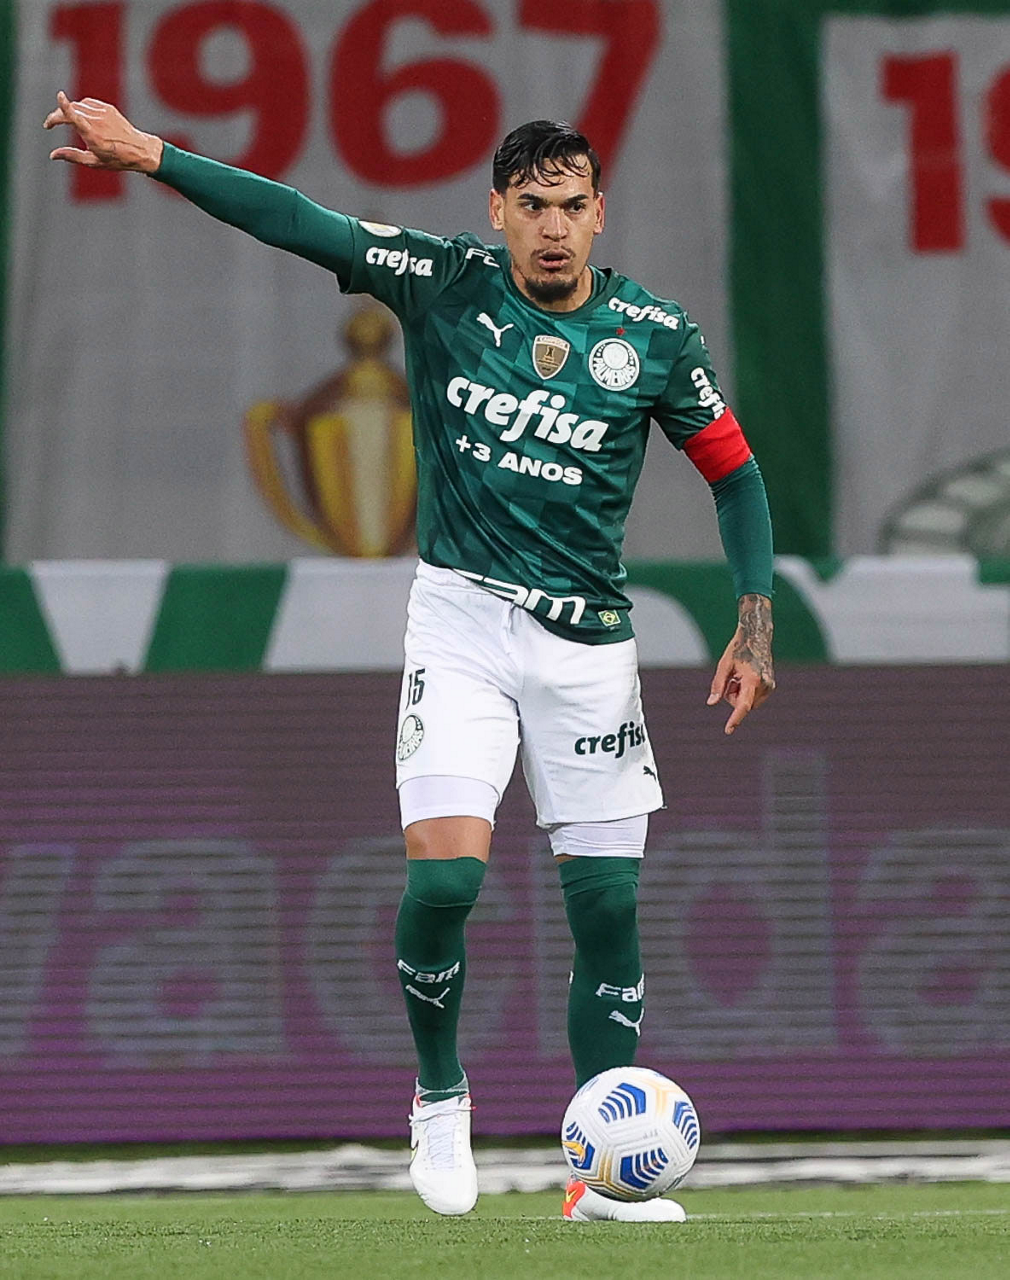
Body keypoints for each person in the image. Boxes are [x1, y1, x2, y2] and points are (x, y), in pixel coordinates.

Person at [45, 95, 775, 1222]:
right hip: (462, 624)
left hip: (589, 648)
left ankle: (599, 1174)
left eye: (571, 206)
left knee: (607, 915)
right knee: (444, 881)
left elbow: (734, 474)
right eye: (531, 205)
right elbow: (301, 221)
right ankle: (439, 1095)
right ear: (497, 210)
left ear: (599, 213)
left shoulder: (656, 337)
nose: (551, 227)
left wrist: (753, 619)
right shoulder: (442, 281)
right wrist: (152, 156)